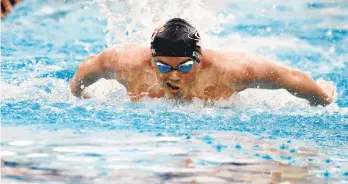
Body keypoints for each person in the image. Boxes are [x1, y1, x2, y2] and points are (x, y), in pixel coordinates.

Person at [70, 18, 335, 106]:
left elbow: (289, 77)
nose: (173, 76)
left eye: (184, 66)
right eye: (163, 66)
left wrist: (323, 99)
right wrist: (80, 96)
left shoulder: (233, 71)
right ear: (151, 61)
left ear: (200, 59)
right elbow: (87, 70)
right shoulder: (125, 64)